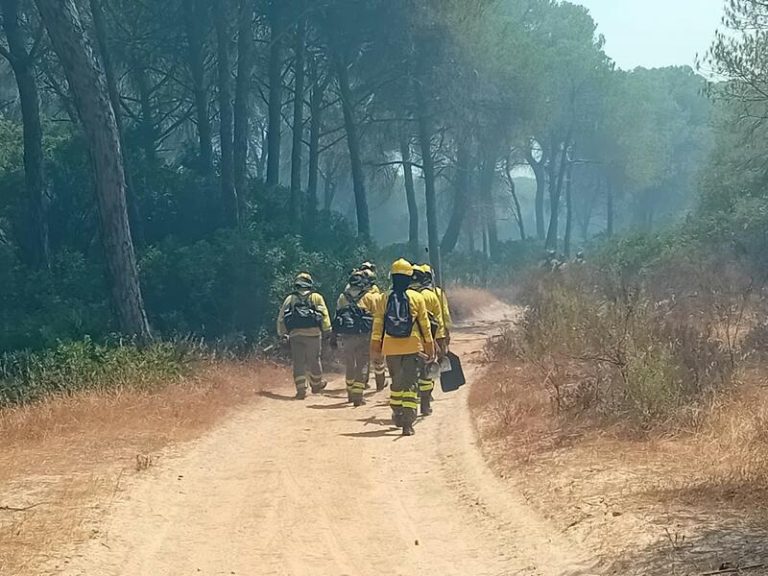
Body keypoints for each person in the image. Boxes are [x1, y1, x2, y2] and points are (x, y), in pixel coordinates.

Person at [371, 259, 435, 436]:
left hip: (390, 349)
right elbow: (425, 326)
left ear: (392, 277)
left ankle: (397, 413)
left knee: (396, 383)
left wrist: (376, 349)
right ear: (409, 278)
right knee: (410, 385)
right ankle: (408, 424)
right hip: (412, 347)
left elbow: (377, 327)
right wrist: (430, 348)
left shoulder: (383, 298)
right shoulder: (417, 298)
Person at [276, 272, 332, 400]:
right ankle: (316, 385)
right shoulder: (316, 297)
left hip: (296, 335)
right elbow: (324, 314)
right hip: (313, 334)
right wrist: (327, 329)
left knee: (298, 362)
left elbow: (281, 318)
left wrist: (282, 334)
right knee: (315, 360)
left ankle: (301, 389)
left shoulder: (290, 299)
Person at [332, 271, 378, 407]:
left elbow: (337, 316)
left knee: (350, 364)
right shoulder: (369, 297)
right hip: (364, 336)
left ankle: (350, 393)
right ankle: (358, 395)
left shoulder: (342, 297)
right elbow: (377, 317)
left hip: (346, 336)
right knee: (362, 364)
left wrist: (333, 336)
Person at [411, 265, 445, 416]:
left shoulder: (404, 294)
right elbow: (441, 319)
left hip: (405, 342)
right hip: (427, 339)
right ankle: (426, 403)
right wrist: (441, 341)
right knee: (428, 370)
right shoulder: (434, 294)